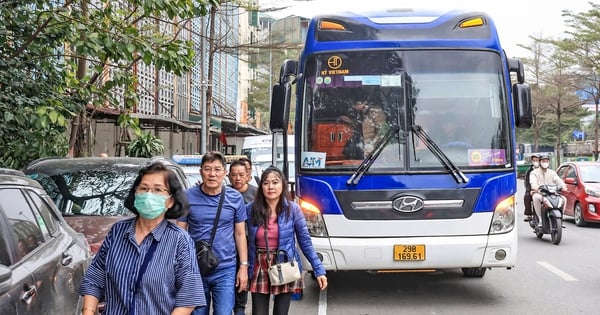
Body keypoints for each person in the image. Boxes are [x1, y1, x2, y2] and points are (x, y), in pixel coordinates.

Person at [79, 162, 205, 315]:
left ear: (170, 201)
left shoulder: (180, 240)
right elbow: (95, 278)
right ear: (135, 193)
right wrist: (88, 310)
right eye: (144, 189)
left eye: (158, 190)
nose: (149, 195)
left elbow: (188, 298)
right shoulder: (118, 232)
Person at [246, 166, 327, 315]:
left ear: (282, 184)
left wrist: (318, 269)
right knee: (258, 312)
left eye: (275, 182)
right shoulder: (250, 209)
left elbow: (304, 240)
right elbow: (239, 236)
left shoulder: (293, 209)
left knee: (281, 312)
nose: (271, 187)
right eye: (266, 183)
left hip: (284, 263)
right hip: (259, 264)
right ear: (261, 186)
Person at [177, 151, 248, 315]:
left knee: (223, 312)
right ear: (201, 171)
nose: (212, 174)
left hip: (226, 269)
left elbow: (240, 234)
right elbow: (180, 232)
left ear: (224, 173)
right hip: (195, 269)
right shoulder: (187, 197)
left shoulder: (235, 198)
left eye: (217, 169)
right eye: (207, 169)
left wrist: (243, 267)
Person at [228, 159, 257, 315]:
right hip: (227, 248)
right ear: (228, 176)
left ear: (248, 176)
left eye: (241, 175)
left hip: (249, 247)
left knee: (242, 287)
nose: (237, 178)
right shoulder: (223, 193)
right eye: (233, 175)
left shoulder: (257, 194)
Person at [529, 154, 566, 227]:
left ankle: (561, 218)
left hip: (551, 193)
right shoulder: (534, 172)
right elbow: (533, 182)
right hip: (539, 193)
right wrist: (536, 188)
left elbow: (558, 180)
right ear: (540, 162)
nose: (545, 163)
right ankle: (540, 219)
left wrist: (563, 186)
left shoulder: (552, 172)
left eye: (547, 161)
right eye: (543, 161)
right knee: (536, 198)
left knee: (563, 199)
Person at [523, 155, 540, 222]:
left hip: (543, 189)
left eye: (537, 160)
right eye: (534, 160)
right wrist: (530, 189)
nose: (536, 161)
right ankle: (529, 215)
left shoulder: (544, 169)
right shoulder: (529, 171)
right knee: (527, 197)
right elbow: (527, 182)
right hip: (532, 189)